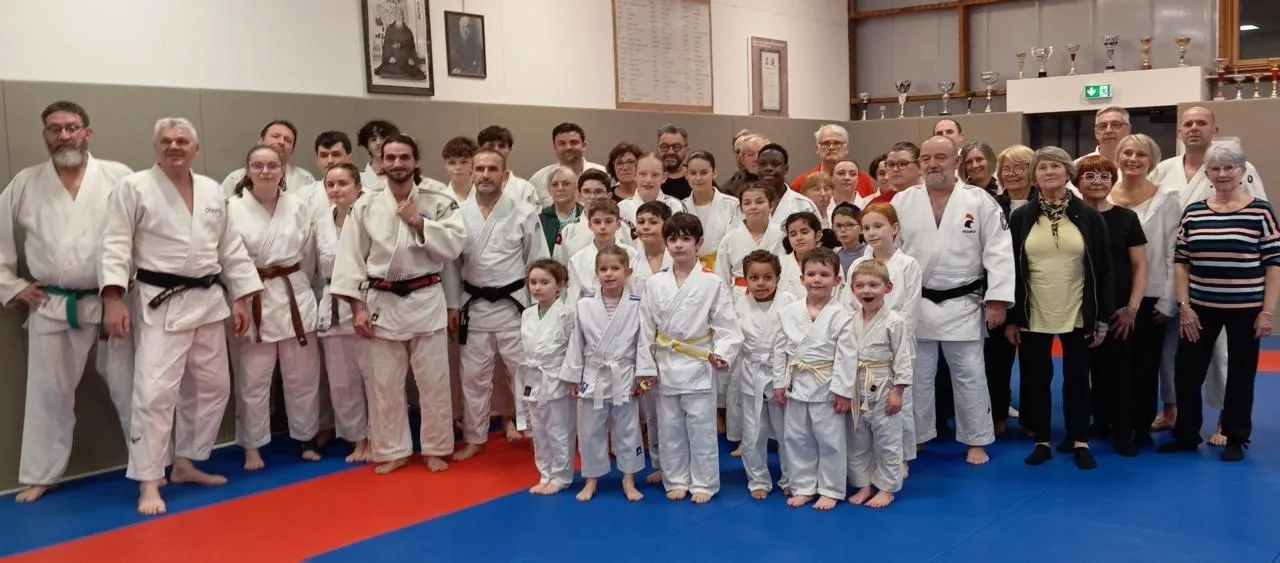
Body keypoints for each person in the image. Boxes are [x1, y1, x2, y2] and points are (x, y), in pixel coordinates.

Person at [100, 117, 264, 515]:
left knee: (213, 387)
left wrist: (241, 297)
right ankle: (148, 481)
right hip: (160, 302)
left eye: (182, 141)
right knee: (155, 393)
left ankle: (185, 462)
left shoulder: (211, 190)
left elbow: (229, 247)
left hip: (207, 301)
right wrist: (113, 298)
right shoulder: (134, 187)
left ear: (196, 149)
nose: (174, 146)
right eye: (166, 140)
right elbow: (115, 243)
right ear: (156, 146)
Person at [1, 101, 134, 503]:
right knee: (48, 394)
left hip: (112, 299)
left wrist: (131, 287)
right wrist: (12, 285)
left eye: (72, 127)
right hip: (53, 303)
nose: (64, 135)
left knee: (132, 387)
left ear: (86, 132)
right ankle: (42, 474)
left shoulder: (118, 176)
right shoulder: (26, 182)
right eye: (55, 129)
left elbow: (143, 233)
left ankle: (150, 463)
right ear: (45, 134)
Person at [329, 133, 466, 475]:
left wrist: (419, 222)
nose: (397, 164)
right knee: (384, 383)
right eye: (390, 158)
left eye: (404, 157)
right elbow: (350, 259)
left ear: (416, 161)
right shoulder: (365, 205)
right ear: (381, 162)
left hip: (425, 296)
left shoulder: (438, 199)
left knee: (434, 382)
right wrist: (357, 308)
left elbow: (454, 246)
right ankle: (392, 449)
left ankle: (436, 447)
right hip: (382, 300)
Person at [893, 136, 1014, 465]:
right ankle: (916, 435)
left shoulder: (979, 200)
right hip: (916, 302)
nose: (933, 164)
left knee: (970, 373)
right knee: (917, 375)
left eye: (941, 157)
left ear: (956, 161)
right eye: (926, 158)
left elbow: (999, 251)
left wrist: (997, 299)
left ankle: (976, 438)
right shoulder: (903, 200)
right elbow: (891, 251)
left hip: (963, 301)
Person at [1159, 139, 1280, 462]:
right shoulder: (1194, 212)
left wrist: (1267, 312)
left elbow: (1273, 264)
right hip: (1200, 308)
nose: (1222, 173)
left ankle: (1235, 437)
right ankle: (1186, 434)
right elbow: (1181, 262)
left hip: (1246, 308)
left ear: (1241, 171)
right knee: (1187, 373)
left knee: (1241, 374)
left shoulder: (1260, 211)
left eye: (1229, 167)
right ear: (1207, 173)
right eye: (1215, 168)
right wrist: (1184, 306)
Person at [1148, 107, 1266, 435]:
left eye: (1202, 123)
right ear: (1179, 132)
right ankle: (1171, 409)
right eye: (1188, 123)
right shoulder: (1163, 169)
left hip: (1225, 278)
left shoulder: (1241, 168)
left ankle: (1226, 419)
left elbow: (1259, 220)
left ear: (1214, 129)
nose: (1194, 128)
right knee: (1173, 351)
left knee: (1223, 353)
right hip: (1176, 269)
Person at [227, 145, 334, 469]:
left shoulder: (299, 206)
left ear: (282, 170)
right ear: (247, 170)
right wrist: (238, 296)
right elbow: (227, 258)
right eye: (258, 165)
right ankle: (252, 445)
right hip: (252, 295)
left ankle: (306, 436)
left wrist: (309, 286)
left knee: (303, 375)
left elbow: (311, 256)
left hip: (294, 293)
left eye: (272, 165)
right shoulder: (232, 208)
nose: (265, 171)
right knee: (253, 379)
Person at [1006, 147, 1113, 470]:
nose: (1049, 172)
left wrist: (1103, 319)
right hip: (1034, 308)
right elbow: (1009, 269)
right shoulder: (1021, 217)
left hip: (1078, 307)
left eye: (1056, 166)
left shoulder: (1089, 216)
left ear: (1068, 172)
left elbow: (1104, 269)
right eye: (1042, 167)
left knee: (1077, 378)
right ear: (1034, 175)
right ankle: (1041, 439)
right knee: (1036, 378)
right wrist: (1012, 317)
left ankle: (1079, 439)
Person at [447, 148, 550, 460]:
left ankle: (536, 434)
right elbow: (450, 265)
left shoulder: (523, 212)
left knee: (525, 373)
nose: (485, 175)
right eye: (479, 168)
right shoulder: (457, 214)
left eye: (492, 169)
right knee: (473, 376)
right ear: (471, 173)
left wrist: (541, 306)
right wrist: (452, 304)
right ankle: (475, 438)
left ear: (504, 176)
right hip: (474, 306)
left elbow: (537, 259)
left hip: (514, 305)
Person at [639, 213, 742, 504]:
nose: (678, 245)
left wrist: (722, 353)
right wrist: (645, 367)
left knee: (701, 428)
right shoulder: (654, 283)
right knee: (669, 427)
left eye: (685, 239)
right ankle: (676, 479)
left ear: (698, 243)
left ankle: (704, 482)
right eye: (673, 239)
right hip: (665, 362)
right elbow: (645, 328)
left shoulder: (712, 282)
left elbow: (728, 327)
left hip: (698, 362)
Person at [558, 245, 649, 502]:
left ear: (627, 272)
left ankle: (628, 479)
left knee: (628, 428)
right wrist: (574, 376)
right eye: (603, 269)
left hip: (624, 373)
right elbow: (577, 342)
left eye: (615, 268)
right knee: (589, 430)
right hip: (593, 374)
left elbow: (643, 342)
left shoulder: (637, 304)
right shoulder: (584, 304)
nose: (609, 274)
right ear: (596, 273)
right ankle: (591, 479)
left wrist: (642, 376)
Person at [1108, 134, 1182, 447]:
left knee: (1145, 365)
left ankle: (1140, 426)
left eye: (1141, 154)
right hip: (1112, 293)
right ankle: (1112, 421)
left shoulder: (1167, 200)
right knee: (1111, 364)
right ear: (1118, 157)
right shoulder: (1105, 194)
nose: (1133, 159)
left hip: (1151, 294)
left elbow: (1174, 253)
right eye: (1127, 153)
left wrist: (1168, 299)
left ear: (1152, 161)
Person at [771, 247, 855, 511]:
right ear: (802, 278)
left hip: (827, 384)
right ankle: (804, 487)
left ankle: (830, 489)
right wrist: (778, 382)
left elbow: (847, 356)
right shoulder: (789, 312)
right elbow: (779, 350)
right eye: (811, 274)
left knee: (830, 440)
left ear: (837, 280)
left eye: (824, 274)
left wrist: (843, 391)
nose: (817, 279)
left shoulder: (842, 315)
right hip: (796, 382)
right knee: (797, 438)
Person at [1077, 154, 1148, 456]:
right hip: (1080, 307)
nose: (1097, 182)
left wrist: (1132, 306)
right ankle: (1094, 422)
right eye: (1089, 176)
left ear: (1113, 181)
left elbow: (1140, 266)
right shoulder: (1071, 217)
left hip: (1119, 308)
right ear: (1077, 182)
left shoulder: (1126, 218)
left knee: (1120, 372)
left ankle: (1123, 432)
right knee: (1084, 371)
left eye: (1104, 176)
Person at [850, 203, 922, 470]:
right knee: (865, 407)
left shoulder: (908, 264)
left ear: (894, 228)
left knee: (899, 403)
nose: (872, 232)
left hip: (896, 342)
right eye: (867, 227)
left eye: (878, 226)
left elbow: (911, 309)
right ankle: (869, 457)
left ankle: (900, 458)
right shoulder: (857, 264)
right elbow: (850, 304)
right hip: (864, 343)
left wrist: (892, 335)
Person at [846, 259, 913, 509]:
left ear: (888, 287)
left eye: (873, 285)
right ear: (852, 289)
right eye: (860, 285)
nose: (867, 290)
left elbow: (903, 357)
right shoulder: (850, 320)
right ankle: (863, 484)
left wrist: (898, 391)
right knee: (857, 439)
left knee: (887, 440)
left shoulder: (895, 321)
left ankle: (886, 488)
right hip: (855, 386)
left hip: (884, 385)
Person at [317, 163, 371, 462]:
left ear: (358, 187)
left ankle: (379, 436)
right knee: (341, 381)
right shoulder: (321, 221)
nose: (336, 189)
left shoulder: (370, 216)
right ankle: (357, 439)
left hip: (366, 302)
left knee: (374, 377)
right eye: (330, 184)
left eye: (343, 183)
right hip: (332, 304)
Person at [734, 250, 796, 498]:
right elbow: (731, 339)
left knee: (787, 431)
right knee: (753, 431)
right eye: (754, 278)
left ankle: (791, 478)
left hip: (781, 373)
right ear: (745, 280)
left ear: (778, 278)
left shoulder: (790, 302)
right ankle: (757, 480)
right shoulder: (739, 304)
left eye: (767, 277)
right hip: (751, 372)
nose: (761, 283)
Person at [520, 259, 576, 495]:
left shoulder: (566, 314)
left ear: (559, 285)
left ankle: (561, 476)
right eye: (533, 282)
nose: (537, 287)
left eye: (544, 282)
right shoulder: (527, 314)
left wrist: (572, 378)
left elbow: (573, 350)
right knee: (539, 432)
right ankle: (545, 474)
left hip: (556, 378)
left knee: (558, 430)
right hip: (533, 378)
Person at [630, 201, 673, 482]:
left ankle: (682, 461)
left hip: (675, 341)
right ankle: (660, 462)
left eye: (653, 222)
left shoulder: (678, 256)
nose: (645, 227)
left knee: (676, 409)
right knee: (652, 410)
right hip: (643, 339)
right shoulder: (630, 260)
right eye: (641, 221)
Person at [713, 183, 786, 298]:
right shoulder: (730, 239)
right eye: (747, 203)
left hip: (778, 296)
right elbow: (721, 278)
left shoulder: (783, 235)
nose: (753, 207)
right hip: (740, 298)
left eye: (759, 202)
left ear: (771, 205)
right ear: (741, 209)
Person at [566, 200, 642, 301]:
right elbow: (573, 300)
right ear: (589, 225)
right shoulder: (577, 260)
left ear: (618, 224)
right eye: (597, 222)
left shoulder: (632, 255)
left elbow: (636, 291)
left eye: (608, 221)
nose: (602, 227)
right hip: (588, 310)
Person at [220, 120, 316, 198]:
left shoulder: (306, 180)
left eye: (288, 140)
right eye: (275, 136)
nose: (281, 142)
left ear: (292, 151)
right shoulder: (235, 179)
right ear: (261, 142)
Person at [553, 169, 631, 263]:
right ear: (579, 196)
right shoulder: (568, 232)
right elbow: (559, 267)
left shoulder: (625, 229)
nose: (592, 197)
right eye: (587, 192)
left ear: (609, 195)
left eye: (598, 191)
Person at [682, 150, 740, 271]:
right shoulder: (680, 207)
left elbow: (738, 241)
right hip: (689, 270)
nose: (698, 178)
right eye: (693, 173)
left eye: (704, 173)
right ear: (686, 175)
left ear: (714, 173)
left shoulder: (733, 205)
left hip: (725, 269)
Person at [529, 123, 606, 206]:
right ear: (555, 148)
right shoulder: (539, 179)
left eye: (574, 142)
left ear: (584, 146)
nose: (568, 147)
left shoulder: (604, 173)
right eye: (562, 143)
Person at [790, 125, 875, 198]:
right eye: (826, 143)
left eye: (837, 143)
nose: (831, 147)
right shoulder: (803, 181)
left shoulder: (862, 180)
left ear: (846, 149)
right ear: (817, 149)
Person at [757, 144, 819, 225]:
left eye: (775, 164)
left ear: (786, 169)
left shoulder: (803, 205)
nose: (768, 168)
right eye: (762, 164)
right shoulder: (745, 204)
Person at [476, 125, 540, 204]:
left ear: (510, 150)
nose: (496, 150)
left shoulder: (525, 189)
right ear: (480, 150)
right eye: (490, 146)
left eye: (501, 146)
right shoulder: (470, 187)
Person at [619, 153, 685, 228]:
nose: (648, 180)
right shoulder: (622, 208)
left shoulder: (676, 206)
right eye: (643, 174)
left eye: (655, 175)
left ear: (664, 177)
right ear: (635, 175)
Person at [779, 212, 824, 300]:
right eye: (793, 234)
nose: (799, 238)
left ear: (818, 235)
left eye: (804, 232)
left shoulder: (831, 263)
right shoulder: (779, 264)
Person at [539, 165, 581, 252]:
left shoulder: (586, 215)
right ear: (549, 190)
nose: (560, 188)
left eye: (566, 184)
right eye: (555, 185)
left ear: (576, 188)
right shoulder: (540, 220)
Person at [722, 133, 768, 199]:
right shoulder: (730, 190)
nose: (756, 159)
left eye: (761, 153)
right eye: (751, 154)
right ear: (742, 160)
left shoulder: (778, 182)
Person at [357, 120, 399, 190]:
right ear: (367, 147)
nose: (378, 143)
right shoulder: (359, 179)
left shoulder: (403, 174)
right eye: (373, 139)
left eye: (383, 138)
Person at [657, 123, 692, 199]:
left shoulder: (696, 179)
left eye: (676, 147)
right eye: (664, 147)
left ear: (687, 150)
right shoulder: (648, 180)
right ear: (657, 148)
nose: (670, 152)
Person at [832, 203, 866, 273]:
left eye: (849, 225)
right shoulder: (833, 256)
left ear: (862, 228)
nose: (843, 230)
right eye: (838, 226)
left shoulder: (870, 252)